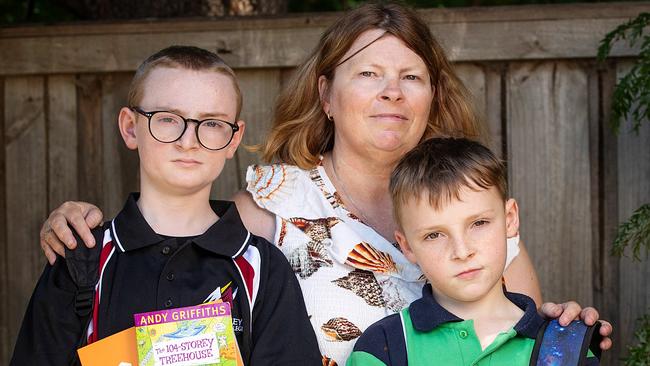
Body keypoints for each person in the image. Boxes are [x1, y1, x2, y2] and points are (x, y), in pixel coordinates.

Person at [38, 3, 612, 364]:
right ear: (326, 96)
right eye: (368, 74)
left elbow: (524, 340)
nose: (392, 92)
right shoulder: (274, 208)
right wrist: (80, 225)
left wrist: (563, 329)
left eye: (410, 76)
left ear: (431, 96)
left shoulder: (476, 212)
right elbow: (171, 236)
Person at [11, 46, 320, 366]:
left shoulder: (261, 267)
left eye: (212, 123)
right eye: (168, 119)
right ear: (131, 127)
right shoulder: (82, 255)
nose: (189, 140)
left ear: (233, 139)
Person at [347, 137, 601, 365]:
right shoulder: (384, 347)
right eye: (434, 235)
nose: (462, 251)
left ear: (510, 219)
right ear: (407, 246)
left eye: (478, 223)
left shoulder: (563, 348)